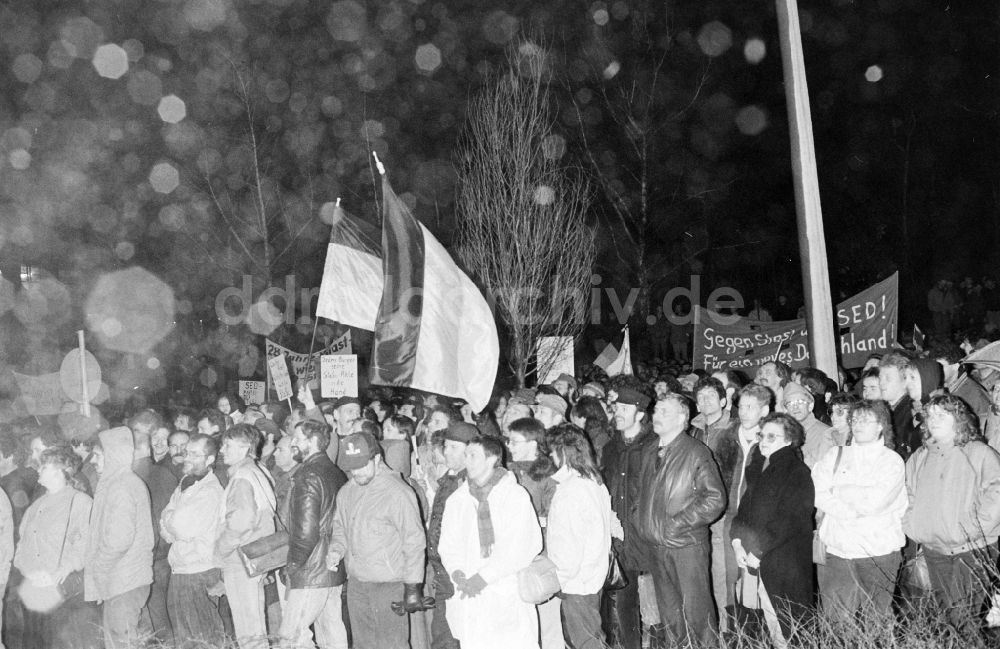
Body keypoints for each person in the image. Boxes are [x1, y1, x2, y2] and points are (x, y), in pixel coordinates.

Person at [902, 394, 1000, 635]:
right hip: (935, 549)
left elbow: (996, 493)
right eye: (930, 415)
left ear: (958, 418)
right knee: (948, 617)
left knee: (963, 615)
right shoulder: (920, 457)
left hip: (974, 548)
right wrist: (914, 526)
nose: (934, 420)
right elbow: (907, 495)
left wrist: (971, 528)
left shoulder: (979, 453)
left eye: (942, 415)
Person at [635, 393, 726, 647]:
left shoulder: (696, 452)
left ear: (682, 418)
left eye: (665, 411)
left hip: (686, 546)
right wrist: (640, 519)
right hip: (657, 546)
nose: (657, 416)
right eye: (657, 410)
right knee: (670, 617)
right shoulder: (650, 450)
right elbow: (640, 493)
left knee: (698, 617)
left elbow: (715, 499)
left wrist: (676, 524)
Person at [438, 436, 543, 649]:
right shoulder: (458, 500)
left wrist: (485, 577)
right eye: (466, 456)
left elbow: (522, 546)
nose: (467, 461)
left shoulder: (514, 496)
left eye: (473, 456)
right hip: (470, 593)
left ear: (492, 458)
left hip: (505, 592)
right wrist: (457, 572)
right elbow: (448, 544)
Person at [327, 431, 429, 649]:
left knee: (392, 645)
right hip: (356, 584)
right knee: (363, 645)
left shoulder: (398, 493)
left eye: (361, 465)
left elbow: (414, 540)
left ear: (376, 458)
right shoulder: (346, 492)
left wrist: (412, 587)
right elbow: (340, 527)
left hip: (388, 584)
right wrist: (336, 549)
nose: (356, 473)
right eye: (351, 467)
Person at [811, 400, 906, 621]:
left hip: (877, 553)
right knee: (835, 623)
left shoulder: (891, 461)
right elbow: (816, 492)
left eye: (866, 420)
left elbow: (874, 502)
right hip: (837, 552)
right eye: (855, 420)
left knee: (877, 621)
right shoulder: (835, 454)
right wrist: (849, 507)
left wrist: (838, 490)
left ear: (881, 425)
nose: (858, 425)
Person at [731, 413, 814, 648]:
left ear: (789, 440)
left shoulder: (796, 472)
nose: (763, 440)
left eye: (771, 436)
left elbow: (790, 519)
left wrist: (757, 551)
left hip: (783, 562)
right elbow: (744, 510)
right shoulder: (759, 467)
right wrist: (737, 541)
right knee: (770, 623)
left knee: (788, 627)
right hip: (757, 558)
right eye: (761, 435)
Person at [279, 419, 349, 649]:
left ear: (314, 441)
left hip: (311, 570)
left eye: (298, 439)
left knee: (291, 636)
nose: (293, 445)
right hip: (331, 566)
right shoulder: (336, 472)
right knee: (331, 631)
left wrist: (293, 565)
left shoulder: (307, 475)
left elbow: (305, 532)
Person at [14, 446, 93, 649]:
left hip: (61, 594)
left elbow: (82, 545)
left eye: (45, 466)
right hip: (32, 592)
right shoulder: (36, 505)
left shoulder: (80, 502)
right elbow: (22, 544)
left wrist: (58, 572)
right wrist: (29, 572)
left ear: (61, 471)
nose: (39, 470)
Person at [85, 426, 155, 649]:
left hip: (123, 580)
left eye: (97, 454)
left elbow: (119, 540)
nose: (92, 461)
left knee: (121, 644)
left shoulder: (121, 487)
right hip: (124, 579)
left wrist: (99, 568)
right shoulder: (119, 483)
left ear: (112, 454)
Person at [546, 425, 612, 649]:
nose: (551, 457)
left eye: (553, 451)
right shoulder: (593, 481)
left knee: (586, 642)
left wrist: (560, 577)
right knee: (591, 636)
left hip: (577, 581)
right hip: (590, 576)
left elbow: (569, 543)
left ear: (563, 452)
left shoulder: (571, 490)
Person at [159, 433, 226, 648]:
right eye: (187, 452)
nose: (187, 457)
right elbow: (165, 522)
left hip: (198, 573)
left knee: (204, 639)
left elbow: (179, 527)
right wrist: (172, 524)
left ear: (210, 460)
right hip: (181, 570)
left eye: (195, 454)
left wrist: (172, 523)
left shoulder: (209, 491)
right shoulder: (186, 483)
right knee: (186, 640)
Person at [600, 388, 654, 649]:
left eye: (624, 408)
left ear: (640, 413)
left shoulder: (654, 445)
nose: (617, 413)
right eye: (616, 408)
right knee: (625, 604)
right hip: (620, 538)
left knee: (656, 606)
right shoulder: (611, 448)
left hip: (647, 538)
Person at [215, 424, 276, 649]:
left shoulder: (242, 476)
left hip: (240, 559)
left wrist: (219, 550)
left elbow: (240, 522)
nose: (222, 450)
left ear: (244, 448)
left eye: (228, 445)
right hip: (253, 557)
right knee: (253, 625)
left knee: (248, 629)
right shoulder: (257, 471)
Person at [505, 418, 560, 649]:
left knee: (547, 620)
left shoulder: (548, 474)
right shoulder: (506, 472)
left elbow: (556, 517)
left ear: (533, 443)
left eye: (515, 441)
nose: (509, 446)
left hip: (539, 557)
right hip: (512, 556)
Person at [426, 422, 476, 649]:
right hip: (443, 570)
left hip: (460, 573)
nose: (446, 452)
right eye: (446, 446)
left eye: (454, 447)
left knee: (450, 637)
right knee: (443, 634)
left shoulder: (473, 484)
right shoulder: (448, 480)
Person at [131, 421, 179, 646]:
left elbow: (158, 517)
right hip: (160, 554)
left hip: (154, 555)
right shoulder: (160, 472)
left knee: (159, 614)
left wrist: (150, 552)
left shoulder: (145, 475)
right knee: (161, 612)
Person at [781, 382, 837, 468]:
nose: (795, 407)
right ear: (785, 410)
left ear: (810, 406)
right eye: (790, 403)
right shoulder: (780, 434)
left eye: (800, 402)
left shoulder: (827, 434)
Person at [879, 353, 918, 458]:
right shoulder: (882, 410)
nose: (881, 383)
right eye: (880, 378)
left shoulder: (912, 412)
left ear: (904, 381)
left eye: (888, 378)